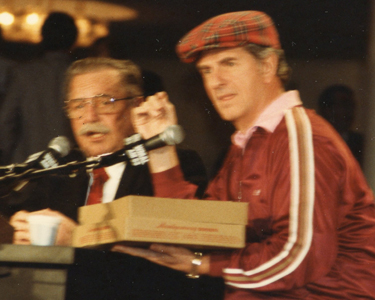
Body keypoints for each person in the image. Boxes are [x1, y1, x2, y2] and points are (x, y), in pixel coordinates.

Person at [112, 11, 375, 299]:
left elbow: (300, 256)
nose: (216, 81)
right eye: (206, 71)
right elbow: (201, 228)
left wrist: (203, 264)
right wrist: (160, 147)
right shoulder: (248, 144)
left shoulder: (300, 135)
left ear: (267, 66)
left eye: (229, 63)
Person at [5, 57, 207, 247]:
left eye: (105, 103)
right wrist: (16, 228)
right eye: (79, 105)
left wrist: (78, 240)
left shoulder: (173, 164)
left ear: (135, 106)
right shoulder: (57, 170)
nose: (90, 117)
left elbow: (170, 250)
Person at [0, 12, 78, 165]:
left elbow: (5, 124)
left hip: (28, 167)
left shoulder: (23, 73)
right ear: (73, 40)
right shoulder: (80, 74)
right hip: (70, 167)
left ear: (42, 36)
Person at [318, 84, 364, 166]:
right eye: (345, 105)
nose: (350, 111)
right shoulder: (315, 141)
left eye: (352, 106)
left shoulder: (362, 143)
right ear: (327, 110)